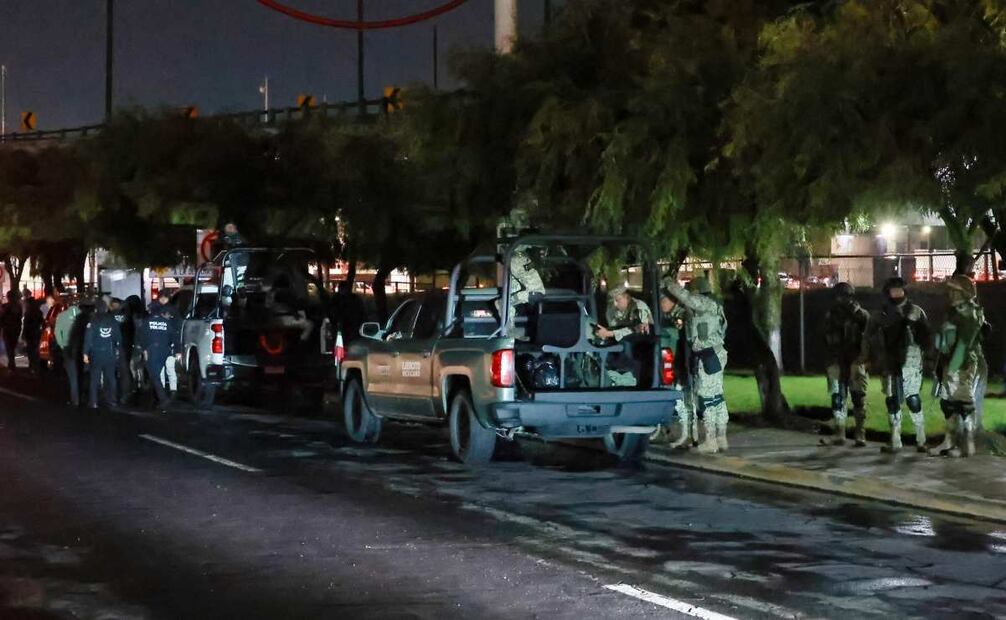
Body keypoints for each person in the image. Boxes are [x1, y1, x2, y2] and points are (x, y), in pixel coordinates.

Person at [661, 276, 729, 453]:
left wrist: (670, 284)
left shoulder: (704, 302)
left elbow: (687, 298)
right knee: (717, 397)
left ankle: (711, 441)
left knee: (706, 398)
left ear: (697, 292)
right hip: (714, 353)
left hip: (708, 355)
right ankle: (721, 438)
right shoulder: (710, 305)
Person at [868, 277, 931, 453]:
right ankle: (895, 439)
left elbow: (926, 338)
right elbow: (870, 336)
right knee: (892, 399)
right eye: (893, 290)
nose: (896, 293)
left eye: (899, 290)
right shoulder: (881, 314)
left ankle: (921, 438)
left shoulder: (915, 312)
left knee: (912, 398)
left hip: (911, 361)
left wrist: (928, 356)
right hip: (889, 362)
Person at [930, 275, 988, 458]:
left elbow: (964, 344)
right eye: (951, 291)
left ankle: (967, 445)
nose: (952, 294)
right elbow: (944, 339)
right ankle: (949, 441)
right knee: (947, 403)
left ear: (966, 293)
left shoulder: (971, 314)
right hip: (949, 361)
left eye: (956, 291)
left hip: (963, 364)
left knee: (963, 403)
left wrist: (953, 368)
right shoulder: (954, 312)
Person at [822, 282, 871, 447]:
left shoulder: (861, 315)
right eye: (838, 297)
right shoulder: (831, 315)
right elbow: (826, 338)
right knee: (838, 397)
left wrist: (865, 359)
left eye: (843, 297)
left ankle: (860, 434)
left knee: (858, 398)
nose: (840, 300)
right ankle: (840, 433)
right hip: (837, 361)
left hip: (855, 360)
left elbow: (870, 339)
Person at [654, 288, 695, 448]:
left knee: (682, 400)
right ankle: (665, 430)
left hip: (682, 363)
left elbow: (681, 341)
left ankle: (687, 435)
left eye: (664, 301)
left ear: (673, 301)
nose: (661, 304)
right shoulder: (666, 316)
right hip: (673, 362)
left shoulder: (681, 316)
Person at [595, 286, 654, 387]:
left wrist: (610, 333)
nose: (615, 304)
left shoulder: (639, 307)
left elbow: (639, 330)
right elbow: (614, 326)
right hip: (624, 342)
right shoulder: (613, 308)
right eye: (613, 301)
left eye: (618, 300)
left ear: (627, 297)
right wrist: (604, 333)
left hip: (642, 345)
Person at [138, 304, 181, 412]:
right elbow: (174, 337)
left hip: (152, 350)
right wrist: (178, 351)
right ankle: (159, 398)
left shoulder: (147, 322)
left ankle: (163, 399)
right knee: (156, 375)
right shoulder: (166, 322)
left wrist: (144, 349)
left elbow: (141, 337)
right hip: (164, 350)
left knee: (154, 376)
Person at [83, 299, 122, 409]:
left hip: (97, 353)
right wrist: (117, 349)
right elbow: (118, 337)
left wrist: (85, 353)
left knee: (94, 378)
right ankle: (112, 400)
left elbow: (88, 338)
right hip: (110, 353)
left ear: (96, 309)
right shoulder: (112, 320)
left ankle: (94, 402)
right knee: (111, 378)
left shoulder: (93, 321)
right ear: (106, 308)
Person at [54, 303, 83, 406]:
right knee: (82, 373)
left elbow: (57, 332)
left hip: (68, 347)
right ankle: (85, 397)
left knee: (72, 375)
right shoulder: (83, 315)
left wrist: (62, 345)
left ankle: (75, 399)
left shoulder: (62, 315)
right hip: (81, 348)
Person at [1, 290, 23, 371]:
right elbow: (19, 318)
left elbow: (2, 317)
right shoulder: (19, 306)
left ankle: (11, 364)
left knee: (9, 347)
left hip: (8, 329)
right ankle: (11, 364)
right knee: (12, 347)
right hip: (16, 329)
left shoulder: (6, 306)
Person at [21, 297, 44, 373]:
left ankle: (32, 366)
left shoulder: (28, 312)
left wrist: (23, 334)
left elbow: (26, 325)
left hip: (30, 333)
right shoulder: (38, 312)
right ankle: (35, 366)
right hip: (36, 333)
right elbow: (42, 322)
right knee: (35, 350)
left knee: (31, 350)